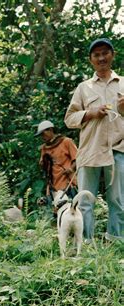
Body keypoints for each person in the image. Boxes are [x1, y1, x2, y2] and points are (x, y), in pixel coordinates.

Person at [65, 37, 124, 240]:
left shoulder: (123, 83)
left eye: (105, 53)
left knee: (118, 200)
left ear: (112, 55)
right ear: (91, 60)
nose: (101, 58)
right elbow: (69, 119)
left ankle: (116, 241)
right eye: (96, 55)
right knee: (85, 200)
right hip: (90, 150)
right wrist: (90, 113)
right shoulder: (84, 87)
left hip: (118, 149)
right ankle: (86, 242)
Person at [36, 120, 78, 206]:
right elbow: (43, 166)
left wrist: (70, 169)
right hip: (52, 186)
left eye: (43, 134)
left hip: (68, 183)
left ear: (51, 130)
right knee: (56, 215)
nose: (42, 137)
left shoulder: (66, 142)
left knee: (71, 210)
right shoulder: (44, 148)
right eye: (41, 135)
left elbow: (78, 159)